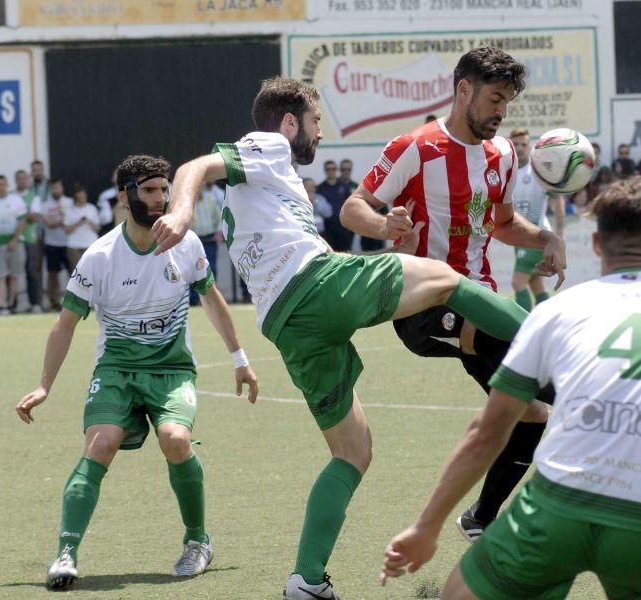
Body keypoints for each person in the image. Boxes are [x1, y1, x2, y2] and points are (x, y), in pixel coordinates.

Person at [149, 75, 538, 600]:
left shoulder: (267, 185)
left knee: (352, 452)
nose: (321, 134)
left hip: (286, 325)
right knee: (443, 277)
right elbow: (197, 167)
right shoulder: (268, 146)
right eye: (315, 122)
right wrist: (179, 208)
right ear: (290, 123)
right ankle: (549, 338)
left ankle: (307, 581)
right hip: (315, 289)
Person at [380, 177, 641, 600]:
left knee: (458, 594)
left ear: (598, 244)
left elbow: (486, 434)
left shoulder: (557, 311)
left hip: (558, 506)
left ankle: (480, 520)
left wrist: (426, 526)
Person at [340, 47, 566, 544]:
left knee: (534, 413)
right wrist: (383, 223)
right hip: (423, 307)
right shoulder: (414, 148)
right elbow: (353, 209)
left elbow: (503, 224)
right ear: (463, 89)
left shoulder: (502, 154)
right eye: (494, 98)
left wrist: (546, 239)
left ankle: (480, 521)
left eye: (507, 102)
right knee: (561, 388)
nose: (501, 111)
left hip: (479, 303)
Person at [16, 154, 259, 590]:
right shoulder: (99, 256)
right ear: (127, 196)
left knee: (176, 440)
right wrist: (44, 385)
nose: (161, 198)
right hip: (117, 371)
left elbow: (212, 299)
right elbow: (65, 323)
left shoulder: (185, 244)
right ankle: (66, 553)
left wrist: (240, 358)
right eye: (149, 190)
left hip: (171, 370)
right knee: (101, 443)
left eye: (165, 189)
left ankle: (197, 541)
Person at [506, 128, 565, 310]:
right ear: (510, 146)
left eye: (523, 144)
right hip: (519, 237)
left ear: (529, 146)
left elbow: (557, 201)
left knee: (518, 283)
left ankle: (520, 329)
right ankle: (548, 325)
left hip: (536, 235)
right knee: (536, 286)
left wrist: (559, 234)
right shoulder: (507, 172)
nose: (520, 148)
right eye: (515, 144)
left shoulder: (538, 172)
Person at [40, 178, 73, 310]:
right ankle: (54, 301)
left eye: (58, 187)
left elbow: (72, 221)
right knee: (53, 273)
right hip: (52, 243)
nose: (56, 190)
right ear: (50, 189)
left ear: (62, 188)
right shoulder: (45, 205)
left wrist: (62, 221)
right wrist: (62, 220)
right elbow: (49, 224)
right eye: (53, 188)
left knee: (74, 273)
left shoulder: (70, 202)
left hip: (69, 243)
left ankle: (76, 301)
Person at [188, 181, 223, 305]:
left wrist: (219, 232)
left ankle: (211, 300)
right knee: (192, 271)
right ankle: (193, 300)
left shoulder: (210, 198)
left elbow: (219, 218)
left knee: (211, 269)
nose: (199, 188)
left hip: (210, 240)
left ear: (204, 186)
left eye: (201, 185)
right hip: (193, 240)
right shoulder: (187, 201)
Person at [0, 174, 28, 315]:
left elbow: (22, 221)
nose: (0, 187)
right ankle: (2, 305)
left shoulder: (15, 200)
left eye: (2, 184)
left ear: (7, 185)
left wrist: (14, 240)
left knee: (16, 275)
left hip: (15, 242)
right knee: (0, 276)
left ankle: (12, 304)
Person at [15, 169, 44, 313]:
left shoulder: (34, 197)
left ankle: (36, 303)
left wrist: (19, 214)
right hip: (13, 240)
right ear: (16, 181)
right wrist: (26, 213)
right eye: (19, 178)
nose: (21, 181)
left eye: (24, 178)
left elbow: (34, 217)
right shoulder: (11, 196)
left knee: (32, 271)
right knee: (13, 274)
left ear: (28, 180)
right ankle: (12, 304)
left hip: (30, 239)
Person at [317, 160, 354, 251]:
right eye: (328, 169)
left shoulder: (344, 186)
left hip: (344, 228)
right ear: (325, 171)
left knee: (346, 255)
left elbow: (350, 205)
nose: (331, 171)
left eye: (333, 169)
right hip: (328, 229)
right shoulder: (320, 188)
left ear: (336, 170)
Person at [63, 184, 100, 268]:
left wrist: (89, 222)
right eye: (80, 197)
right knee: (76, 274)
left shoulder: (92, 208)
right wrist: (78, 223)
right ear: (76, 197)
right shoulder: (70, 211)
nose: (83, 198)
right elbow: (66, 231)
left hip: (91, 245)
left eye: (84, 195)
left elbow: (98, 228)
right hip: (74, 246)